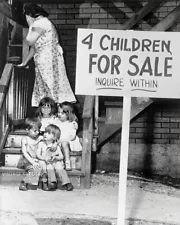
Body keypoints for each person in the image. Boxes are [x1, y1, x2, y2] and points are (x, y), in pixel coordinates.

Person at [17, 3, 76, 106]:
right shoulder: (44, 23)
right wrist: (25, 62)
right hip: (46, 61)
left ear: (29, 15)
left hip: (48, 62)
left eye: (26, 17)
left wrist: (31, 24)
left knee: (51, 88)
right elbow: (35, 47)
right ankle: (49, 113)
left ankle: (54, 113)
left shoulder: (40, 24)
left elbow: (30, 41)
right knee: (48, 88)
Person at [37, 124, 74, 191]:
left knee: (59, 168)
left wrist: (56, 157)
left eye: (48, 133)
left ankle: (67, 183)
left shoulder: (56, 146)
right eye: (45, 132)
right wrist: (44, 158)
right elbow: (38, 155)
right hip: (47, 162)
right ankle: (52, 183)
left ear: (54, 137)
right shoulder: (41, 144)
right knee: (49, 167)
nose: (45, 134)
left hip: (56, 161)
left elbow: (61, 156)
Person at [56, 101, 82, 171]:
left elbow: (72, 137)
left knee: (64, 143)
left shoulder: (72, 124)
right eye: (58, 112)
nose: (59, 115)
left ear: (68, 113)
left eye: (62, 113)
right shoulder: (57, 122)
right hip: (59, 141)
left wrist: (62, 140)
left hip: (69, 142)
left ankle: (67, 161)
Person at [18, 117, 42, 191]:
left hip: (36, 159)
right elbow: (25, 153)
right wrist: (33, 162)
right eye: (35, 131)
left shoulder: (39, 138)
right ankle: (24, 182)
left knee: (41, 166)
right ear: (27, 130)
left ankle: (45, 183)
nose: (37, 132)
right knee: (34, 168)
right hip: (26, 160)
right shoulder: (25, 139)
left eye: (38, 130)